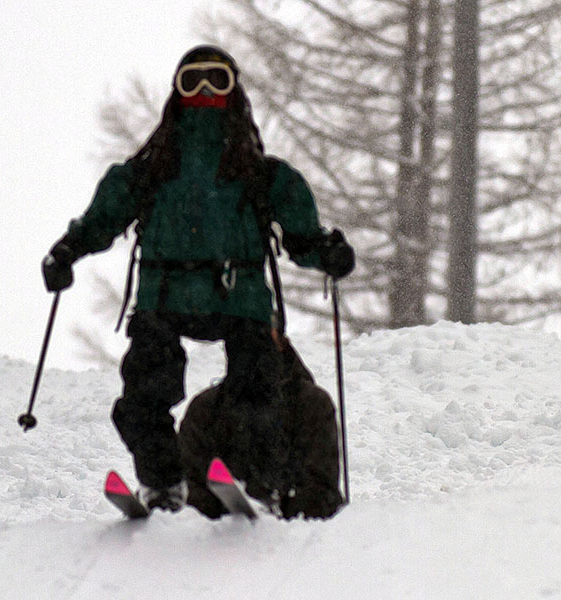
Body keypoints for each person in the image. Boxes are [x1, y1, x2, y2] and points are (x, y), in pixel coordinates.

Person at [41, 46, 354, 518]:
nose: (206, 92)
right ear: (177, 93)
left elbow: (302, 238)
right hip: (197, 299)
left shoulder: (226, 175)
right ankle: (167, 482)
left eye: (216, 81)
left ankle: (242, 484)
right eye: (194, 82)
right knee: (144, 398)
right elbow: (99, 221)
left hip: (221, 299)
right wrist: (69, 249)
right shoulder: (174, 173)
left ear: (235, 93)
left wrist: (326, 252)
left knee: (256, 396)